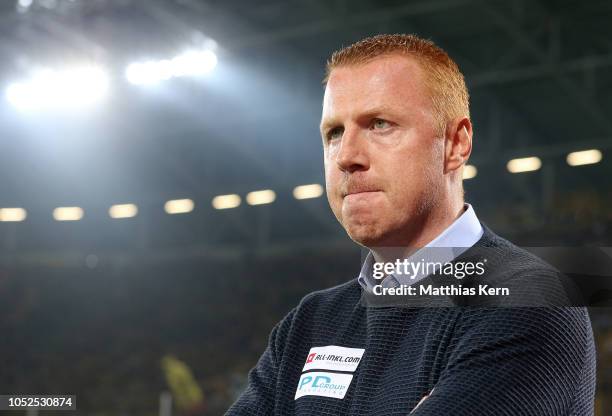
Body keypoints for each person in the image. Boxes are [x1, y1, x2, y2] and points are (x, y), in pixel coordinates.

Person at [226, 34, 596, 415]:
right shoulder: (309, 322)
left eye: (380, 124)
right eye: (334, 132)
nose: (347, 156)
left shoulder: (530, 302)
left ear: (455, 144)